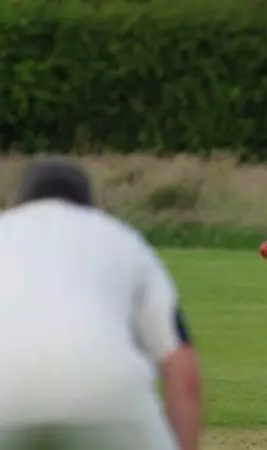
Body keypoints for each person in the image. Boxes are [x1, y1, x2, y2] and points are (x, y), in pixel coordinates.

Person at [0, 158, 203, 450]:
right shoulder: (123, 239)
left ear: (18, 202)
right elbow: (181, 363)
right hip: (108, 394)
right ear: (91, 205)